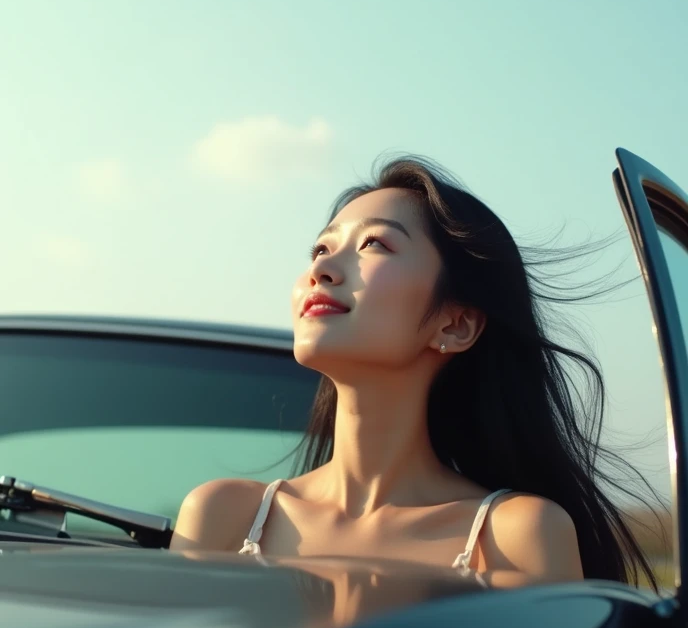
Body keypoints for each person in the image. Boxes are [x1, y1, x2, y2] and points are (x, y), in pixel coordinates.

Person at [172, 156, 660, 590]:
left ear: (456, 322)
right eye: (321, 250)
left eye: (374, 245)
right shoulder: (224, 514)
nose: (322, 270)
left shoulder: (515, 534)